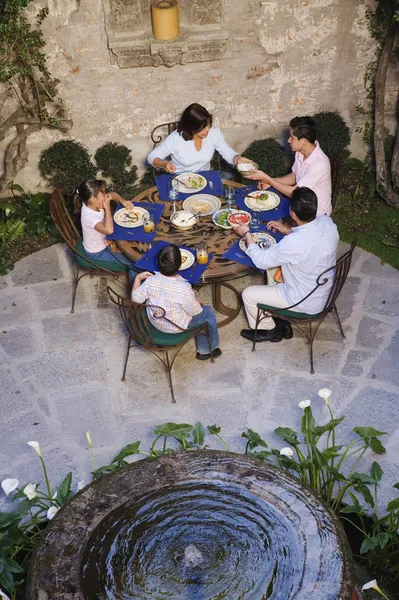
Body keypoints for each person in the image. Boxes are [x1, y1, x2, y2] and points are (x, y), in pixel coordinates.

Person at [232, 187, 339, 343]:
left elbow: (260, 260)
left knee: (248, 294)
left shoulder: (294, 243)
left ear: (293, 213)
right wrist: (287, 230)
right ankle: (278, 317)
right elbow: (309, 239)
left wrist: (246, 233)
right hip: (322, 289)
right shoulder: (327, 222)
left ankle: (268, 330)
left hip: (303, 301)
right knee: (272, 269)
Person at [131, 244, 222, 360]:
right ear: (180, 267)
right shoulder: (183, 288)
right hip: (176, 326)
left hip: (154, 320)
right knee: (208, 312)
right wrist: (198, 304)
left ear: (158, 264)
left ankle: (205, 348)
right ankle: (206, 350)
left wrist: (138, 278)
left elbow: (135, 299)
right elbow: (195, 312)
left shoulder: (150, 281)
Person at [245, 116, 332, 216]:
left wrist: (267, 178)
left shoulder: (319, 164)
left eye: (292, 137)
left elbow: (295, 193)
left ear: (303, 141)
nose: (289, 140)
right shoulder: (300, 152)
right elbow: (294, 176)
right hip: (301, 206)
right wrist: (270, 181)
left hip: (316, 214)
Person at [147, 102, 248, 174]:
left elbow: (226, 151)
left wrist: (237, 159)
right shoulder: (176, 139)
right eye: (203, 128)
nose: (207, 130)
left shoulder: (214, 133)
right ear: (191, 127)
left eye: (209, 125)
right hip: (180, 180)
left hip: (204, 178)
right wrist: (164, 164)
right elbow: (152, 157)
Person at [73, 179, 139, 284]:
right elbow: (109, 230)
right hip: (98, 252)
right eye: (103, 195)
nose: (106, 197)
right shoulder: (89, 217)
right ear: (92, 199)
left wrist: (122, 201)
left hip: (106, 241)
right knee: (133, 262)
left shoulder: (94, 202)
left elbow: (112, 194)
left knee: (134, 237)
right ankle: (135, 293)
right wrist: (107, 208)